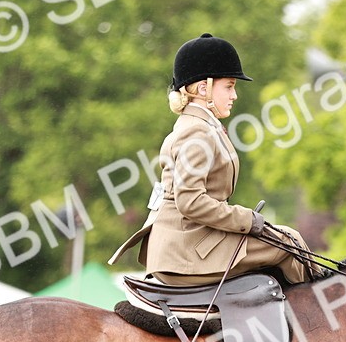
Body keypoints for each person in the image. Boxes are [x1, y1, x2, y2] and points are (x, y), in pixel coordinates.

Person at [109, 33, 316, 286]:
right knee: (287, 244)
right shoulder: (197, 131)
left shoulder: (202, 125)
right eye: (229, 86)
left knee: (288, 238)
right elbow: (190, 201)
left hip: (193, 242)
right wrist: (246, 219)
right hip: (186, 251)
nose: (234, 95)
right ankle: (321, 312)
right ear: (203, 88)